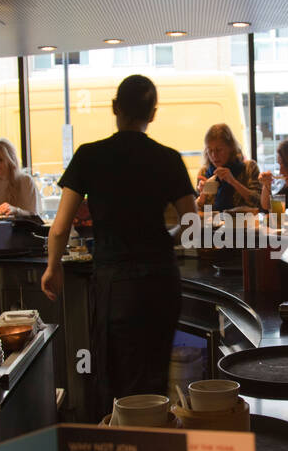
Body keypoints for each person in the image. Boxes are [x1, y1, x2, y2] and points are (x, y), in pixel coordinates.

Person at [42, 76, 197, 416]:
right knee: (154, 378)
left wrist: (53, 267)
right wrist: (163, 239)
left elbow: (59, 228)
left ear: (115, 108)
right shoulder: (168, 158)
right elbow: (191, 224)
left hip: (116, 282)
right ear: (152, 114)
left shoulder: (89, 156)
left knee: (114, 380)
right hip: (160, 280)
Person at [195, 123, 261, 211]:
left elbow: (259, 202)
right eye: (210, 150)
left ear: (231, 148)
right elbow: (194, 212)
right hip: (214, 224)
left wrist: (233, 181)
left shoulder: (248, 168)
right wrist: (202, 196)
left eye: (219, 150)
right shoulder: (205, 172)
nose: (214, 155)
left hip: (243, 223)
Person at [0, 138, 41, 218]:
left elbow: (34, 215)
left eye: (0, 160)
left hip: (21, 228)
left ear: (10, 159)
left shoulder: (26, 181)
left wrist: (16, 211)